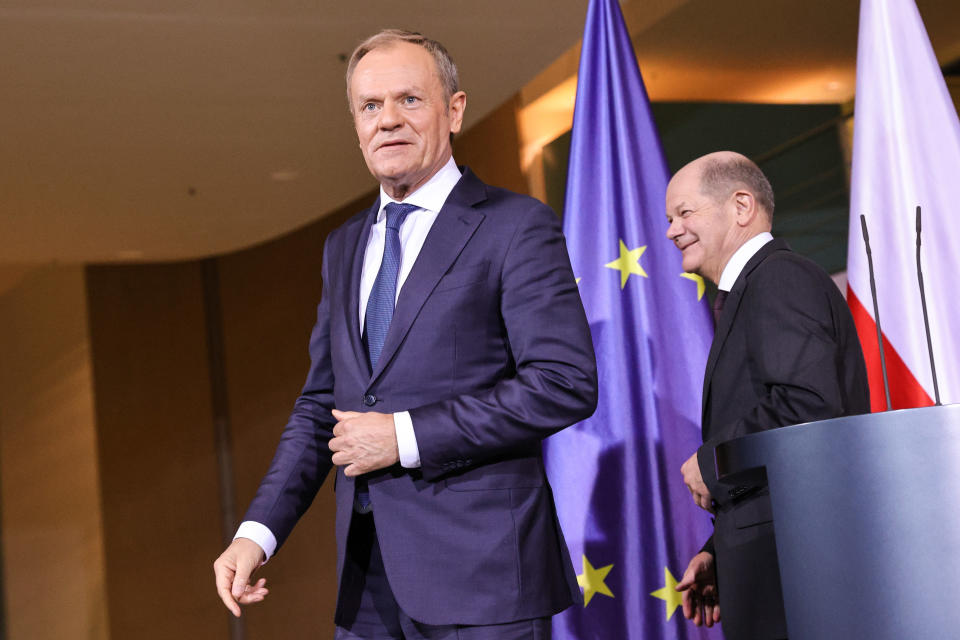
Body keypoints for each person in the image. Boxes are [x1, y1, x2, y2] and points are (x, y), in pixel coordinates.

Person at [212, 29, 598, 639]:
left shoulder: (515, 226)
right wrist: (255, 534)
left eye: (409, 100)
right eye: (370, 107)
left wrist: (406, 436)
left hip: (484, 581)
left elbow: (563, 383)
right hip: (366, 585)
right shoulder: (343, 247)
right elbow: (321, 407)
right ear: (355, 124)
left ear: (454, 110)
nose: (387, 120)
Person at [664, 151, 869, 639]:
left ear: (741, 206)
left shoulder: (778, 279)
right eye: (670, 219)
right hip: (775, 561)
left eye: (684, 213)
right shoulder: (751, 292)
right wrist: (719, 548)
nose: (672, 231)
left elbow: (808, 406)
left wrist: (712, 460)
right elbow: (783, 462)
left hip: (799, 574)